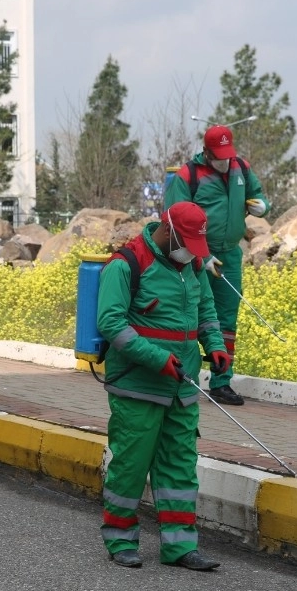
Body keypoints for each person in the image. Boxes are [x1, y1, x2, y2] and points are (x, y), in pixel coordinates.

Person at [97, 201, 232, 570]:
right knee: (130, 465)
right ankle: (120, 539)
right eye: (187, 243)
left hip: (182, 387)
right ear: (168, 230)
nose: (191, 253)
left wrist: (216, 346)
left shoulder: (192, 265)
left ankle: (179, 547)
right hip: (138, 385)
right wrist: (157, 359)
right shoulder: (126, 264)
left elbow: (206, 311)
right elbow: (111, 323)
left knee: (180, 466)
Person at [164, 124, 270, 406]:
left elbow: (258, 194)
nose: (224, 161)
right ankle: (183, 377)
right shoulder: (189, 175)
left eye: (228, 154)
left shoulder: (241, 169)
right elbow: (173, 218)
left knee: (226, 320)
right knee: (189, 313)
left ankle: (222, 382)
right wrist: (200, 256)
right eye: (219, 156)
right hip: (195, 256)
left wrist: (262, 205)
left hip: (231, 255)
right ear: (207, 151)